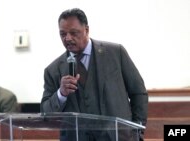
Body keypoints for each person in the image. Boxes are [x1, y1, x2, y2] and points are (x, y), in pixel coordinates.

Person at [40, 8, 148, 141]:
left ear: (87, 29)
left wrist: (137, 131)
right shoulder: (53, 70)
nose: (67, 38)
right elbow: (45, 114)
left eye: (74, 33)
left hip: (118, 137)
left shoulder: (115, 54)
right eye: (63, 34)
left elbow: (138, 92)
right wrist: (61, 94)